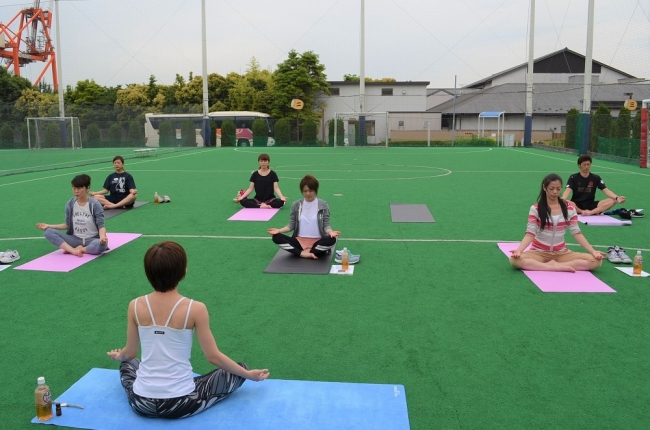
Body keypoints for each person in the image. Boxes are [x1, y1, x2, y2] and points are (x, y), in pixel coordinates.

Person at [107, 241, 269, 419]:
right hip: (181, 403)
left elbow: (129, 353)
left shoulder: (135, 305)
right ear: (183, 271)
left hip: (141, 403)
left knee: (127, 364)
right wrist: (248, 375)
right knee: (238, 369)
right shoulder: (196, 309)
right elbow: (213, 356)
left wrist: (119, 356)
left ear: (148, 273)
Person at [510, 173, 603, 272]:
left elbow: (576, 232)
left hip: (561, 253)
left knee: (596, 261)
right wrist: (519, 250)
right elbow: (530, 233)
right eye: (551, 188)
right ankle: (552, 267)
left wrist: (593, 252)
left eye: (558, 189)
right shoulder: (535, 208)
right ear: (544, 188)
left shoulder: (570, 208)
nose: (555, 192)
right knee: (514, 260)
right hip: (538, 252)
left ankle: (556, 265)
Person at [267, 174, 339, 259]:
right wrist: (279, 230)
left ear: (316, 190)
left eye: (311, 191)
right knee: (276, 237)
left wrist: (330, 232)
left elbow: (326, 224)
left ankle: (310, 252)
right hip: (299, 242)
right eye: (305, 191)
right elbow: (291, 225)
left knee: (332, 240)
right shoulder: (296, 205)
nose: (308, 194)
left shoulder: (323, 205)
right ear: (302, 191)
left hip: (317, 242)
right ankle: (302, 253)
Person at [36, 174, 108, 256]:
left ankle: (81, 249)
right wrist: (48, 225)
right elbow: (67, 225)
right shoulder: (70, 204)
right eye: (74, 188)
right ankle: (73, 250)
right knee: (48, 232)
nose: (76, 191)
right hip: (75, 239)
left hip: (92, 239)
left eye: (79, 188)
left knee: (100, 245)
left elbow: (101, 226)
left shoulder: (94, 205)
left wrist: (102, 237)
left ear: (87, 188)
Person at [561, 154, 626, 216]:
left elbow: (606, 190)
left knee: (613, 200)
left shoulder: (596, 178)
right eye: (584, 165)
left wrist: (617, 198)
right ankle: (582, 212)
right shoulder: (573, 177)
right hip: (577, 205)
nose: (587, 167)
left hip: (591, 205)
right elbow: (567, 190)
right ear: (579, 165)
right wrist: (563, 199)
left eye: (588, 164)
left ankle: (591, 212)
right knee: (567, 202)